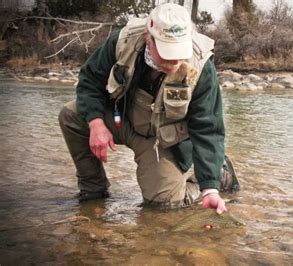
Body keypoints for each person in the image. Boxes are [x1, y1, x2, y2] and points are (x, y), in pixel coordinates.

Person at [58, 3, 239, 213]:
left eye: (179, 51)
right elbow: (89, 80)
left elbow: (208, 128)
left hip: (162, 139)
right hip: (122, 119)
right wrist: (96, 123)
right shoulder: (122, 42)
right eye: (167, 52)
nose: (174, 60)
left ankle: (217, 174)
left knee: (164, 205)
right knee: (71, 116)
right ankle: (93, 190)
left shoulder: (201, 66)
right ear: (148, 38)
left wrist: (210, 189)